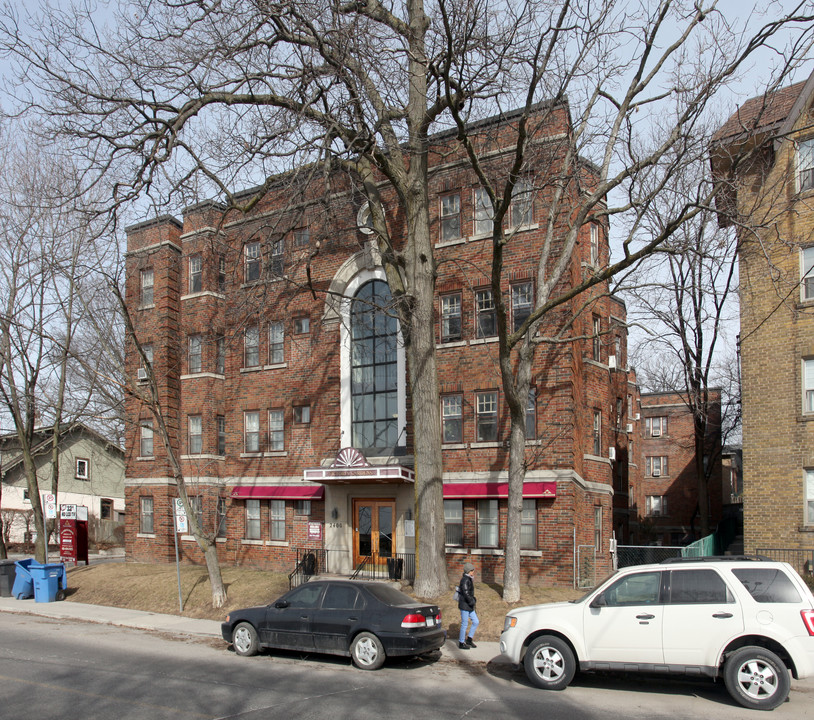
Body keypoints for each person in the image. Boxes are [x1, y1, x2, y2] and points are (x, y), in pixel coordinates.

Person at [457, 562, 479, 650]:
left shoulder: (469, 579)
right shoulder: (465, 580)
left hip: (469, 605)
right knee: (464, 624)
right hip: (465, 605)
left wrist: (472, 601)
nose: (473, 571)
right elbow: (466, 593)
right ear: (468, 571)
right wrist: (472, 601)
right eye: (472, 570)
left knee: (476, 621)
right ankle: (461, 642)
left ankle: (469, 639)